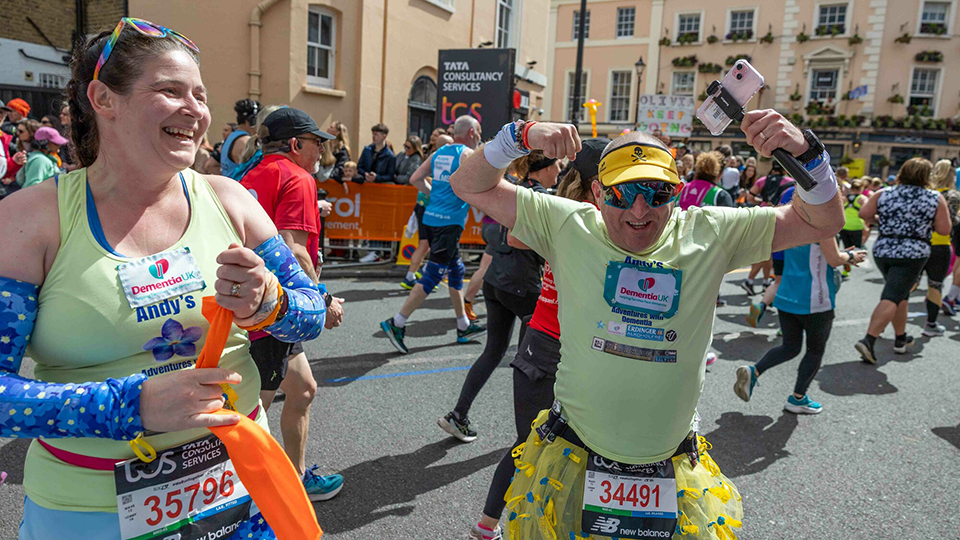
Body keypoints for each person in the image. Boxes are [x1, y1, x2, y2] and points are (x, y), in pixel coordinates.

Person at [1, 18, 333, 538]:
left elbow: (312, 313)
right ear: (104, 99)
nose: (196, 110)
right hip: (91, 512)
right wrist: (131, 405)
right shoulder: (31, 221)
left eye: (200, 95)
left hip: (241, 489)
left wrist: (272, 304)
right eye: (170, 90)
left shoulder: (229, 200)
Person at [449, 111, 844, 540]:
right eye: (623, 194)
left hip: (671, 462)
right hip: (574, 453)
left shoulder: (711, 231)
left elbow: (822, 220)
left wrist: (807, 154)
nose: (639, 210)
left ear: (676, 193)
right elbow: (468, 184)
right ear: (598, 194)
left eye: (656, 192)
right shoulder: (567, 224)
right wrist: (521, 135)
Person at [465, 139, 606, 540]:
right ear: (599, 184)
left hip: (541, 343)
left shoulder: (561, 213)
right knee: (581, 450)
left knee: (529, 443)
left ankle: (488, 523)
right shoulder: (597, 219)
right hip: (572, 348)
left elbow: (515, 238)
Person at [239, 106, 346, 501]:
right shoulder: (298, 177)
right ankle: (246, 493)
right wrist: (323, 299)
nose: (322, 152)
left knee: (301, 390)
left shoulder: (250, 173)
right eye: (317, 144)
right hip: (274, 310)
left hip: (252, 301)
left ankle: (296, 479)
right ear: (297, 144)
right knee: (252, 412)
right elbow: (294, 250)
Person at [439, 150, 559, 443]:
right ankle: (532, 433)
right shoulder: (541, 197)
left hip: (496, 280)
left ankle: (459, 414)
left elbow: (492, 234)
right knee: (534, 364)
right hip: (522, 284)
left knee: (494, 352)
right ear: (544, 168)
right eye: (557, 164)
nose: (560, 169)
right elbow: (515, 238)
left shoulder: (515, 190)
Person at [736, 184, 867, 414]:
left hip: (786, 294)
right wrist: (851, 256)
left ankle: (754, 371)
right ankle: (798, 397)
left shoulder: (791, 222)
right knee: (815, 350)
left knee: (790, 346)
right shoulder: (824, 226)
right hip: (815, 299)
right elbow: (834, 259)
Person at [380, 115, 486, 353]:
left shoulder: (439, 153)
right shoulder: (467, 155)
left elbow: (415, 179)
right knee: (432, 276)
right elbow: (482, 185)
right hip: (449, 223)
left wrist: (434, 195)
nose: (479, 135)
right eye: (478, 131)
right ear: (470, 132)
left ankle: (463, 325)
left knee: (457, 269)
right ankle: (396, 323)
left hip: (432, 217)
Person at [855, 158, 952, 363]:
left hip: (883, 249)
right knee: (892, 295)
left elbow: (865, 214)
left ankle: (900, 338)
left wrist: (886, 222)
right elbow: (944, 229)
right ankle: (869, 340)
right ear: (926, 176)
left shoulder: (884, 193)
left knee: (900, 294)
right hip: (913, 252)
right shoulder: (933, 197)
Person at [677, 151, 735, 309]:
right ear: (720, 173)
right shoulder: (720, 195)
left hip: (678, 248)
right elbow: (729, 228)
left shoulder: (681, 189)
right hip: (706, 252)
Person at [401, 133, 455, 290]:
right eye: (449, 145)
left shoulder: (439, 158)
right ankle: (410, 277)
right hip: (426, 207)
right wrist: (435, 194)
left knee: (428, 245)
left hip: (430, 206)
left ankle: (420, 272)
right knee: (425, 244)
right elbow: (419, 179)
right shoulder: (437, 159)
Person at [916, 159, 960, 332]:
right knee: (935, 285)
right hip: (940, 244)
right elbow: (952, 222)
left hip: (920, 242)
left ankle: (888, 324)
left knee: (905, 286)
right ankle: (930, 325)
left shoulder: (927, 192)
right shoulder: (953, 195)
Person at [220, 98, 261, 177]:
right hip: (238, 186)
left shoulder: (230, 137)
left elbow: (211, 164)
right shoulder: (246, 141)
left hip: (227, 183)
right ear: (251, 120)